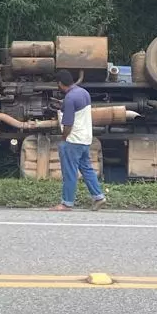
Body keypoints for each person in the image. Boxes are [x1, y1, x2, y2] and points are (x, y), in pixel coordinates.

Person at [52, 69, 106, 212]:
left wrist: (64, 138)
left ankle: (66, 203)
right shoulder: (83, 93)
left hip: (73, 139)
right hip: (85, 138)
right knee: (87, 169)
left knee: (69, 172)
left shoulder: (70, 98)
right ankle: (98, 196)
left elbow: (68, 123)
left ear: (60, 83)